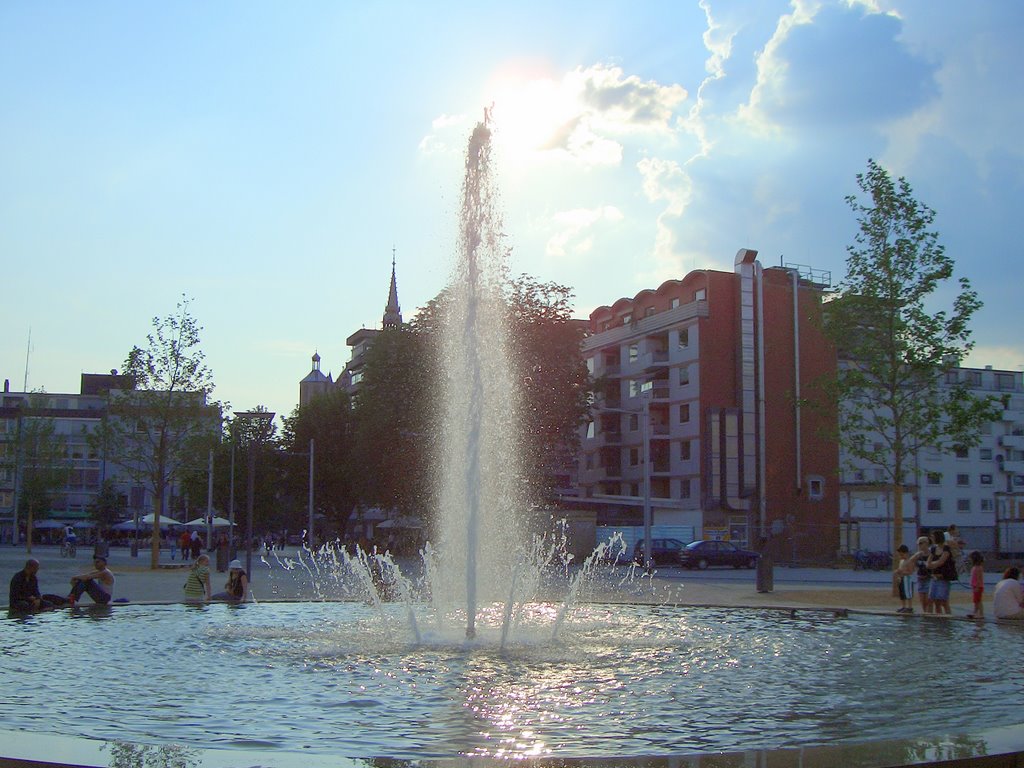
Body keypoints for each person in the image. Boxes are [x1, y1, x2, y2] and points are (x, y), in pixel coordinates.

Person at [925, 529, 956, 615]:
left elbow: (941, 562)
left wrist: (932, 564)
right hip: (934, 577)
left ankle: (947, 617)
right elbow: (928, 562)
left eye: (933, 537)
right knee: (932, 600)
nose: (931, 538)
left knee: (943, 601)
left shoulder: (946, 549)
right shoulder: (934, 549)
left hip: (943, 578)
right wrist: (931, 564)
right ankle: (934, 617)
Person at [912, 536, 933, 613]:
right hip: (920, 578)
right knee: (922, 600)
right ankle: (925, 614)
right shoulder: (918, 555)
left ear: (926, 543)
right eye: (918, 544)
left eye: (921, 543)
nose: (919, 545)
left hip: (929, 578)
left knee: (928, 600)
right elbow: (911, 562)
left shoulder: (931, 554)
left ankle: (930, 614)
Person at [893, 544, 916, 613]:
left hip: (907, 579)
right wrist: (898, 572)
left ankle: (910, 606)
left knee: (908, 593)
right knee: (902, 593)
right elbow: (900, 569)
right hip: (902, 578)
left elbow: (911, 571)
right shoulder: (902, 561)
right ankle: (904, 606)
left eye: (902, 554)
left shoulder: (909, 561)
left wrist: (902, 572)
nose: (901, 556)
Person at [965, 550, 985, 619]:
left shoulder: (978, 568)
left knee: (978, 600)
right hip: (975, 586)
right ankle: (975, 612)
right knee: (976, 600)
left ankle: (980, 613)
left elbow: (979, 578)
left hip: (978, 586)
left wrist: (977, 586)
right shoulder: (975, 567)